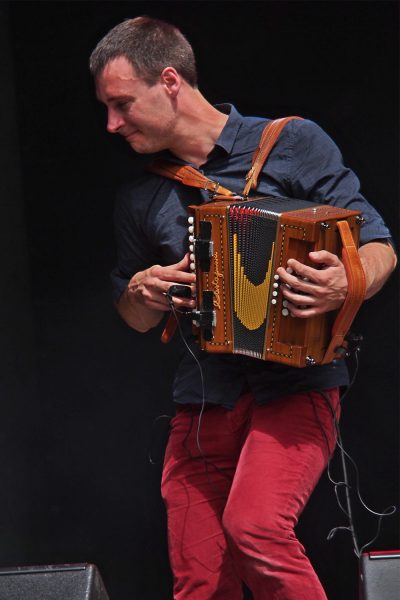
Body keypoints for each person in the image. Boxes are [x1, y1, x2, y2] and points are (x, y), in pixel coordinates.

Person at [90, 17, 396, 600]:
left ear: (171, 81)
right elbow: (135, 317)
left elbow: (380, 242)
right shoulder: (140, 194)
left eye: (123, 103)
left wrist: (346, 281)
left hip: (299, 382)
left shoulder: (291, 143)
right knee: (199, 578)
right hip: (204, 394)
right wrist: (140, 292)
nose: (112, 123)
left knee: (255, 528)